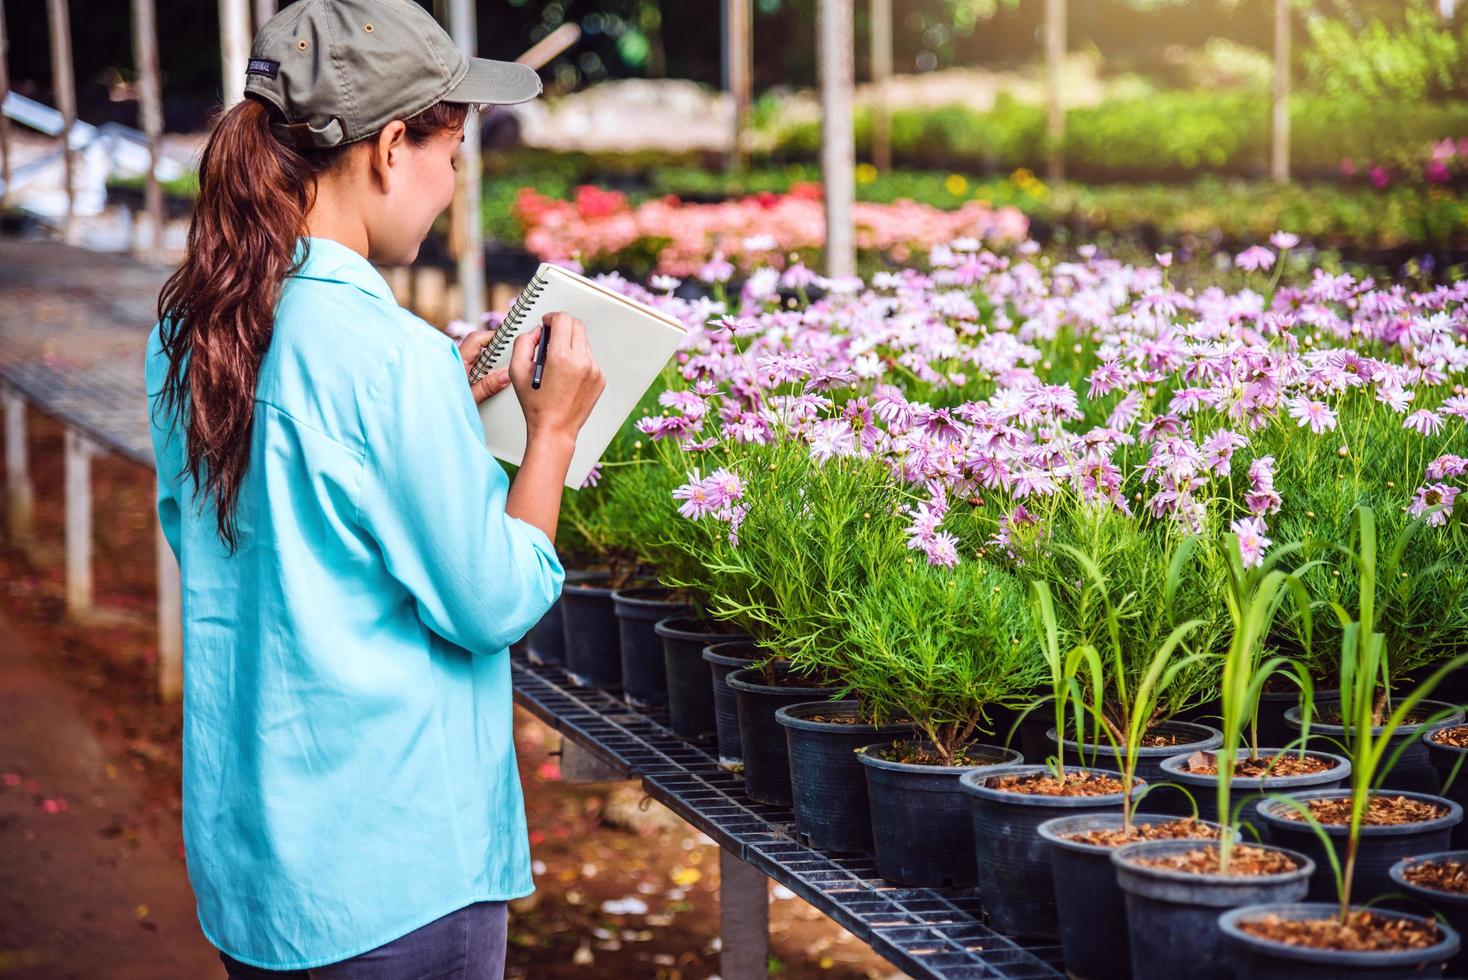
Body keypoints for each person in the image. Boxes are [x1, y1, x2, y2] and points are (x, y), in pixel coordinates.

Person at [144, 1, 605, 976]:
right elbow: (492, 601)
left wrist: (439, 396)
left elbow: (254, 541)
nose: (452, 180)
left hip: (260, 873)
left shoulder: (191, 333)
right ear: (393, 146)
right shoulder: (386, 360)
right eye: (453, 151)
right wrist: (551, 432)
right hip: (397, 878)